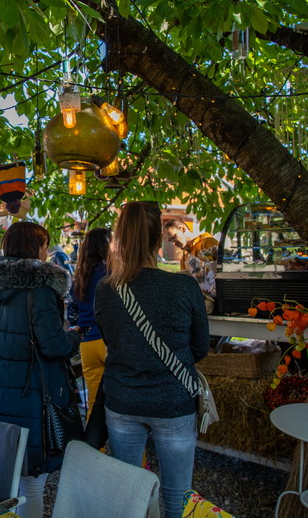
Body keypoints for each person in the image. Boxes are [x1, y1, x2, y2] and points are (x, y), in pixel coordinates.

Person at [95, 202, 209, 518]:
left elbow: (112, 342)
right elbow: (200, 348)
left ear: (121, 240)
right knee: (176, 498)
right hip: (173, 401)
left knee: (127, 495)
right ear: (158, 241)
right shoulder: (184, 285)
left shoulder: (107, 289)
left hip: (123, 401)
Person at [0, 222, 81, 518]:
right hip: (31, 397)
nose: (48, 252)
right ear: (34, 248)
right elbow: (54, 346)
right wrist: (75, 336)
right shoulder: (41, 287)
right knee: (33, 484)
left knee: (10, 480)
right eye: (45, 245)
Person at [68, 227, 112, 420]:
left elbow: (72, 316)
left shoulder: (80, 277)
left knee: (93, 404)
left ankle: (97, 448)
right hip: (111, 341)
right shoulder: (112, 272)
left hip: (87, 344)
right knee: (123, 405)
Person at [163, 219, 219, 301]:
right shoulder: (184, 257)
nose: (173, 243)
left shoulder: (208, 243)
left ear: (182, 229)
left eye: (173, 237)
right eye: (170, 241)